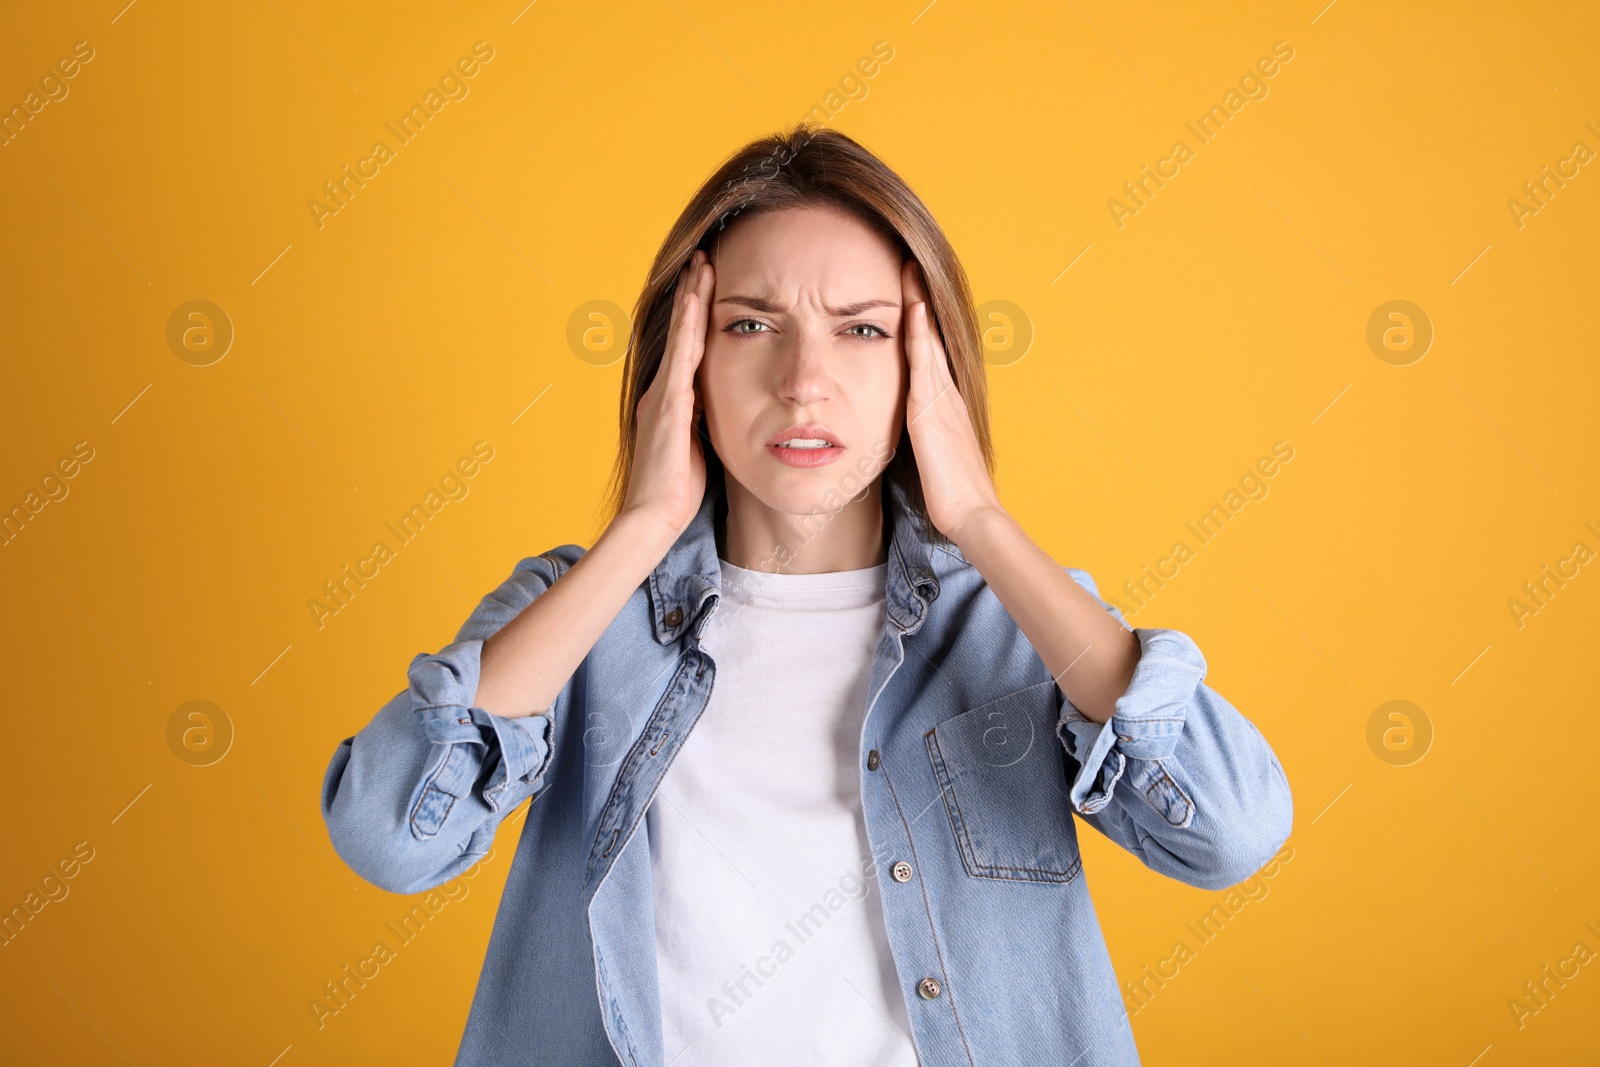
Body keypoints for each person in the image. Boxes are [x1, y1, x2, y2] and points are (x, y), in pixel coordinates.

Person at [320, 123, 1294, 1067]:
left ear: (929, 368)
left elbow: (1228, 834)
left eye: (863, 329)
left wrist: (982, 522)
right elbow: (390, 838)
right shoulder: (577, 612)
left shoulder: (1017, 620)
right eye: (750, 324)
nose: (804, 382)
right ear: (684, 362)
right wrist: (643, 524)